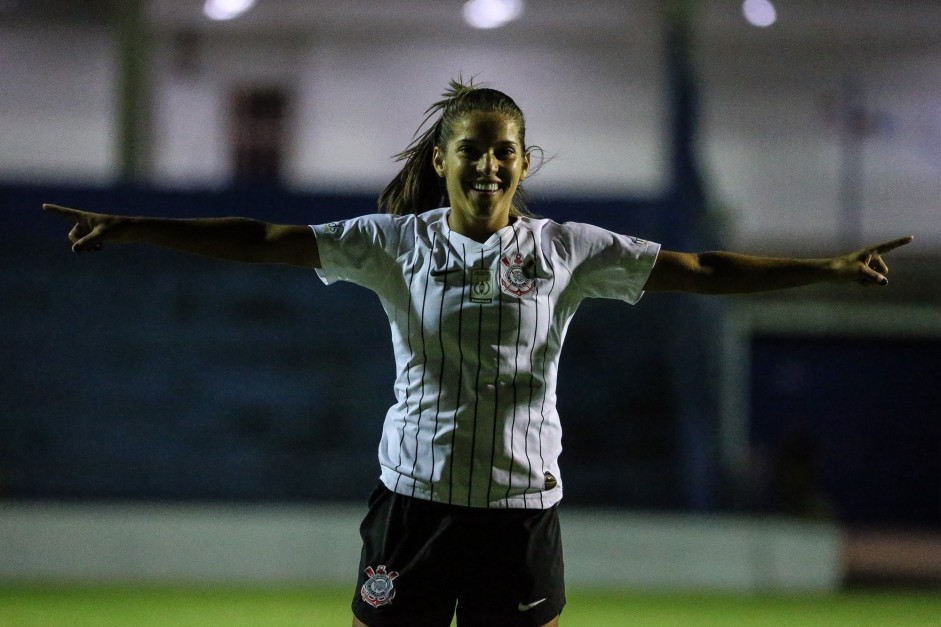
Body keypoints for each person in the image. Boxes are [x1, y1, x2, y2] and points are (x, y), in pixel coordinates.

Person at [44, 79, 911, 627]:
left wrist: (823, 266)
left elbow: (703, 267)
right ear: (442, 157)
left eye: (505, 150)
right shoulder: (389, 243)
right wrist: (135, 225)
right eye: (473, 149)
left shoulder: (567, 249)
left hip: (520, 513)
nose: (490, 164)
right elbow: (264, 236)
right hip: (412, 509)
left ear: (522, 160)